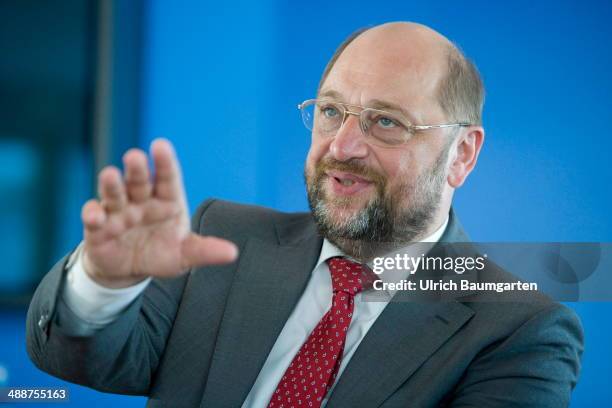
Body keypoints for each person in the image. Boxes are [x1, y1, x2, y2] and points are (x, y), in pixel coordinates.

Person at [26, 22, 583, 407]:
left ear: (462, 154)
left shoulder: (517, 330)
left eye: (385, 121)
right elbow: (80, 359)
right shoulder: (223, 236)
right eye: (331, 111)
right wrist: (104, 283)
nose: (342, 146)